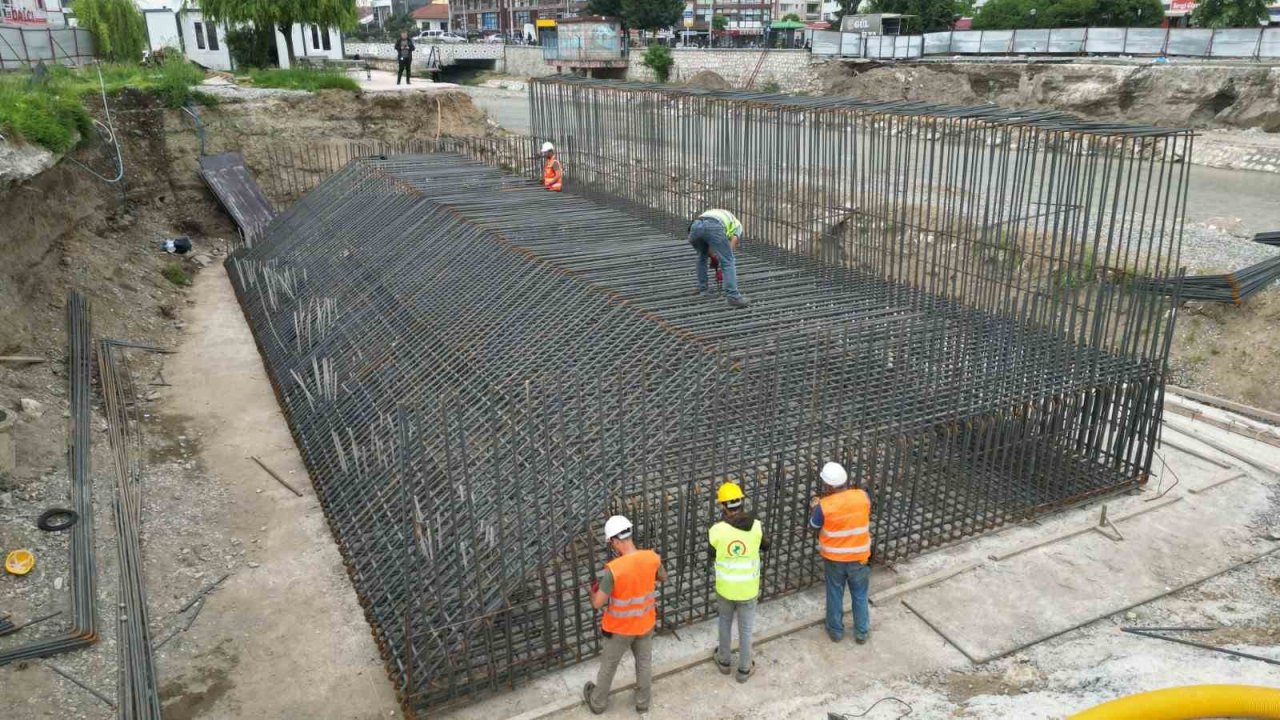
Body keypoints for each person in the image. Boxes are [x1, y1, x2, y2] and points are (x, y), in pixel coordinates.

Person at [584, 515, 666, 715]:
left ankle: (598, 702)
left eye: (611, 542)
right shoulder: (651, 557)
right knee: (644, 663)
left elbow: (597, 603)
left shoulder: (614, 570)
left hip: (619, 629)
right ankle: (642, 702)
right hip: (645, 623)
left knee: (609, 666)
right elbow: (663, 577)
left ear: (616, 541)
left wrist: (591, 592)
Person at [708, 482, 768, 683]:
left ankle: (724, 661)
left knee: (724, 622)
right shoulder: (756, 526)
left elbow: (712, 554)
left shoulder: (717, 530)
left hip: (725, 588)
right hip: (748, 589)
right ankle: (744, 669)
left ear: (722, 506)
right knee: (746, 629)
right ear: (742, 502)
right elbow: (765, 545)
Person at [809, 461, 872, 644]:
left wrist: (814, 507)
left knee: (835, 593)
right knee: (860, 595)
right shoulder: (862, 496)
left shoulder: (825, 505)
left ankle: (835, 631)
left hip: (835, 559)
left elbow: (813, 525)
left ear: (828, 485)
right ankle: (861, 633)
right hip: (860, 558)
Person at [688, 209, 749, 307]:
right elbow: (730, 248)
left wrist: (713, 257)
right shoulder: (738, 226)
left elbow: (706, 239)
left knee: (702, 256)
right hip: (714, 226)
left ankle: (702, 288)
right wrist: (721, 265)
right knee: (728, 261)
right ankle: (733, 296)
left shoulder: (717, 214)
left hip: (695, 226)